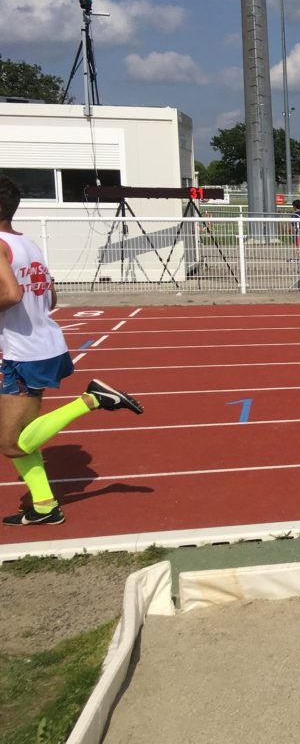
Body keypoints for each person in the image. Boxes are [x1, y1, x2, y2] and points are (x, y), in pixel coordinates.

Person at [0, 175, 144, 527]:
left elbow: (11, 294)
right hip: (42, 343)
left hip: (20, 352)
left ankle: (92, 400)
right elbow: (51, 297)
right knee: (19, 435)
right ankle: (45, 506)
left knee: (11, 442)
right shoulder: (27, 244)